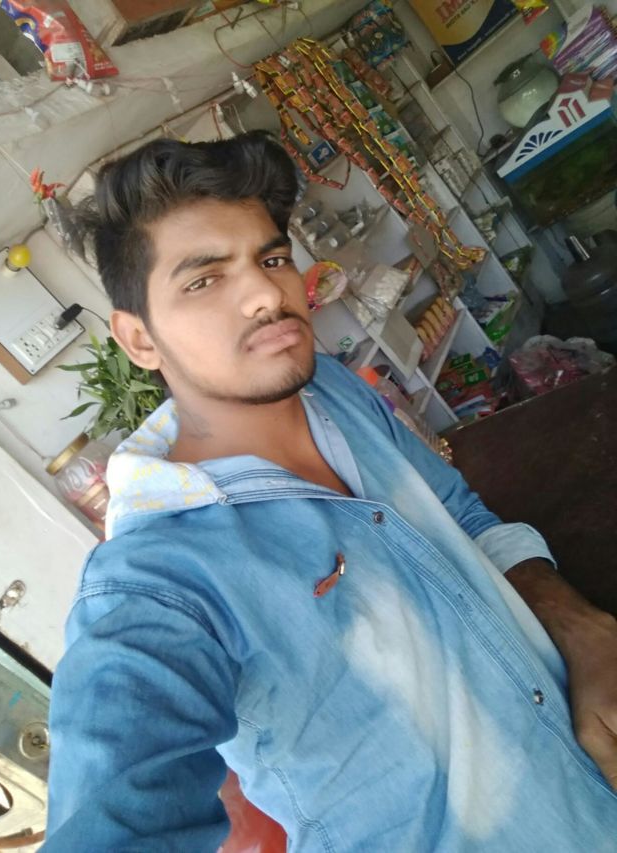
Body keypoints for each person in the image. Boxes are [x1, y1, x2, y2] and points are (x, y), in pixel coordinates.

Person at [43, 132, 617, 852]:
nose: (266, 294)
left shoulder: (335, 391)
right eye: (204, 280)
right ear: (139, 340)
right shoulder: (156, 587)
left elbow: (463, 516)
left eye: (271, 258)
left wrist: (582, 632)